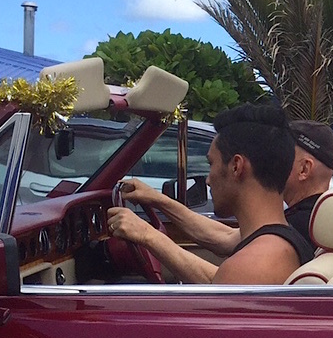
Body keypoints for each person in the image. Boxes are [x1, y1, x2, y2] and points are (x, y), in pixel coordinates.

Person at [107, 104, 316, 284]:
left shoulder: (264, 258)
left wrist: (146, 234)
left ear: (236, 166)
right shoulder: (276, 236)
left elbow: (215, 281)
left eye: (211, 164)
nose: (208, 179)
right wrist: (157, 199)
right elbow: (221, 236)